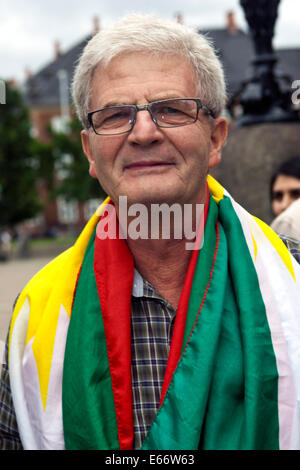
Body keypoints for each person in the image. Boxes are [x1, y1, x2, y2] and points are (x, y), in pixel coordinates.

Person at [1, 14, 300, 451]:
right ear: (89, 150)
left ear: (216, 138)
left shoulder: (293, 276)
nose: (143, 132)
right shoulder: (38, 316)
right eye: (115, 115)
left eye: (171, 110)